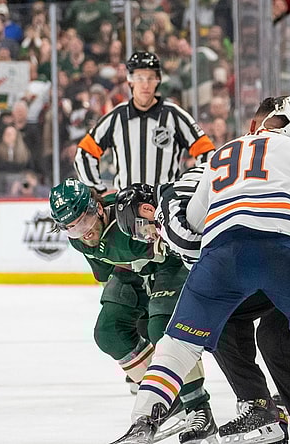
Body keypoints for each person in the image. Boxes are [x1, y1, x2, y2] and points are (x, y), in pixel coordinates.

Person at [110, 95, 290, 444]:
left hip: (221, 256)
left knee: (178, 344)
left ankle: (143, 421)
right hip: (284, 254)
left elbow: (197, 221)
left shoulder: (221, 153)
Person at [48, 179, 216, 444]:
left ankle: (197, 406)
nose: (83, 233)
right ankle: (166, 397)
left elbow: (173, 242)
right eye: (71, 228)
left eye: (84, 222)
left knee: (161, 329)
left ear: (98, 208)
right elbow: (106, 273)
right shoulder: (80, 241)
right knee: (109, 331)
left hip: (169, 266)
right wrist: (128, 310)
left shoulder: (131, 213)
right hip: (131, 272)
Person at [75, 51, 215, 193]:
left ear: (158, 80)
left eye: (150, 78)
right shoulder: (117, 117)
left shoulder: (174, 115)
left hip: (165, 206)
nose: (145, 84)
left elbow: (208, 153)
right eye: (140, 78)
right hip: (126, 207)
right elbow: (85, 153)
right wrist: (97, 191)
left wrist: (195, 190)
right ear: (130, 81)